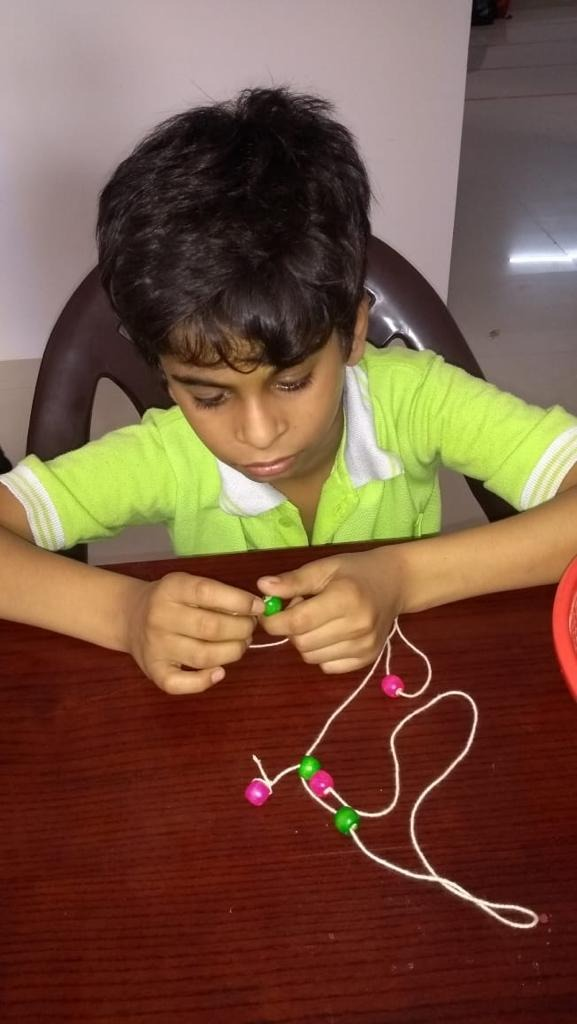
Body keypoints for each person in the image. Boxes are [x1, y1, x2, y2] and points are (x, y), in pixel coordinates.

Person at [1, 87, 577, 695]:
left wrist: (402, 578)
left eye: (294, 381)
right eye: (209, 397)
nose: (257, 433)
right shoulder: (167, 456)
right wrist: (125, 614)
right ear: (163, 372)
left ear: (352, 333)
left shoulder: (416, 402)